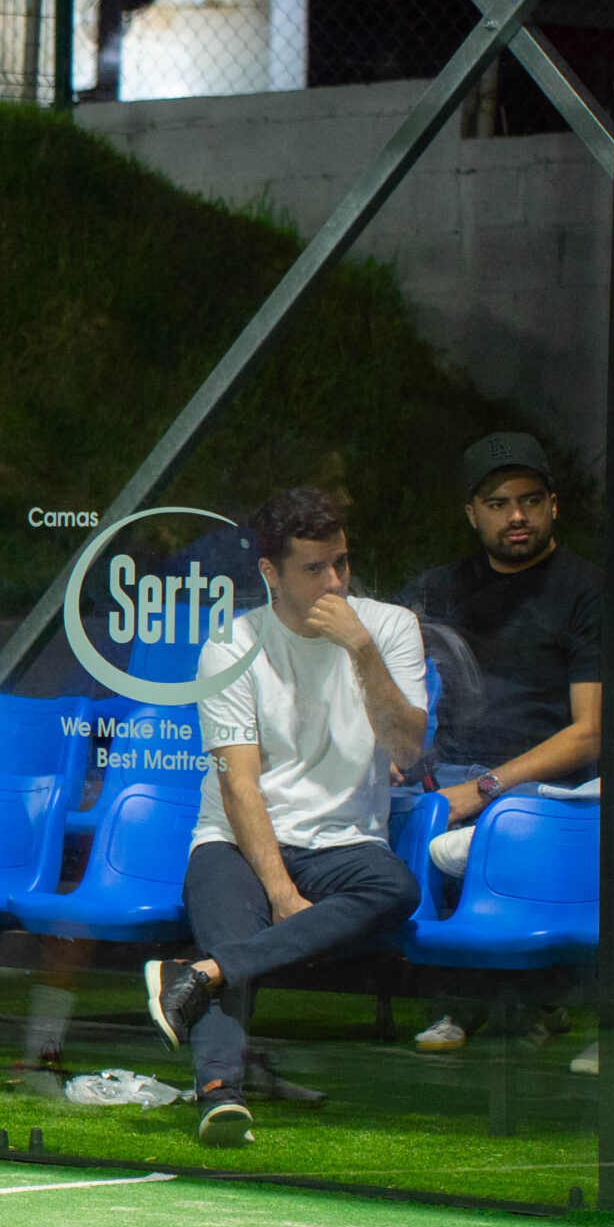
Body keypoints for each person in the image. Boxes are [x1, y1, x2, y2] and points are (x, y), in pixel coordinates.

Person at [146, 486, 427, 1147]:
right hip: (238, 839)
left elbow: (408, 751)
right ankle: (220, 1092)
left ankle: (198, 974)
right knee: (229, 916)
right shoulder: (231, 644)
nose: (334, 582)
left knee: (397, 888)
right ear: (270, 572)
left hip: (344, 842)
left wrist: (362, 652)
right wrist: (280, 892)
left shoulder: (388, 628)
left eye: (342, 563)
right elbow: (239, 786)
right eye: (314, 568)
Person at [399, 433, 602, 1060]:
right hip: (445, 775)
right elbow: (389, 685)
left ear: (553, 506)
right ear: (472, 513)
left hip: (543, 788)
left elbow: (590, 731)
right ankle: (513, 998)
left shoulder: (587, 591)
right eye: (497, 503)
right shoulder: (437, 591)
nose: (516, 516)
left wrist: (485, 788)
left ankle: (504, 995)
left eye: (530, 500)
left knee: (492, 827)